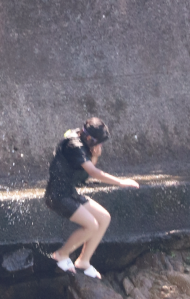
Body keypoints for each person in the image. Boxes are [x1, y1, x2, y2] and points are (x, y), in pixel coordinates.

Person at [44, 117, 139, 279]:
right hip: (57, 195)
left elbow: (88, 171)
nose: (100, 147)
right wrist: (121, 182)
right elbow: (94, 173)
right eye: (99, 143)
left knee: (104, 218)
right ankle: (61, 254)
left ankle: (83, 261)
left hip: (69, 193)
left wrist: (95, 155)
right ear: (89, 138)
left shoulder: (85, 145)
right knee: (91, 225)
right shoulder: (74, 145)